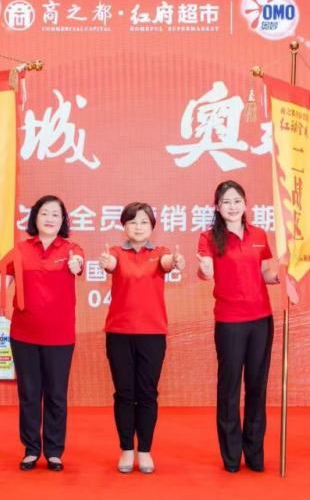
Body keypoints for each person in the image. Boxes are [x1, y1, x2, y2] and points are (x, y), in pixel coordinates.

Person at [0, 195, 84, 471]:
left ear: (63, 220)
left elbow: (79, 264)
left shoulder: (71, 249)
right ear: (34, 217)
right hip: (24, 334)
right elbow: (1, 283)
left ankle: (54, 451)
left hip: (60, 335)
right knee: (29, 394)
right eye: (44, 213)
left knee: (56, 394)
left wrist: (76, 265)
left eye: (55, 214)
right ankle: (31, 449)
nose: (49, 219)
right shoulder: (19, 250)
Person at [196, 180, 279, 473]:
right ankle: (231, 455)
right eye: (226, 202)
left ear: (245, 204)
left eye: (237, 201)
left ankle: (254, 453)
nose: (232, 206)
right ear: (217, 207)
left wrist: (283, 278)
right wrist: (205, 270)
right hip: (230, 321)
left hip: (261, 320)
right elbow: (205, 271)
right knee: (229, 389)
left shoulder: (258, 234)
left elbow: (265, 271)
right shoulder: (209, 237)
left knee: (257, 387)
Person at [99, 202, 185, 474]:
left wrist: (176, 261)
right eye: (133, 222)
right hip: (119, 333)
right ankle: (127, 449)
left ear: (152, 227)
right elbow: (111, 265)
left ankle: (144, 450)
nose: (138, 227)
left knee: (147, 393)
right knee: (124, 393)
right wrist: (107, 264)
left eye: (144, 222)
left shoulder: (160, 253)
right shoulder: (115, 252)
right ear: (124, 226)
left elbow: (167, 263)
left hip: (152, 334)